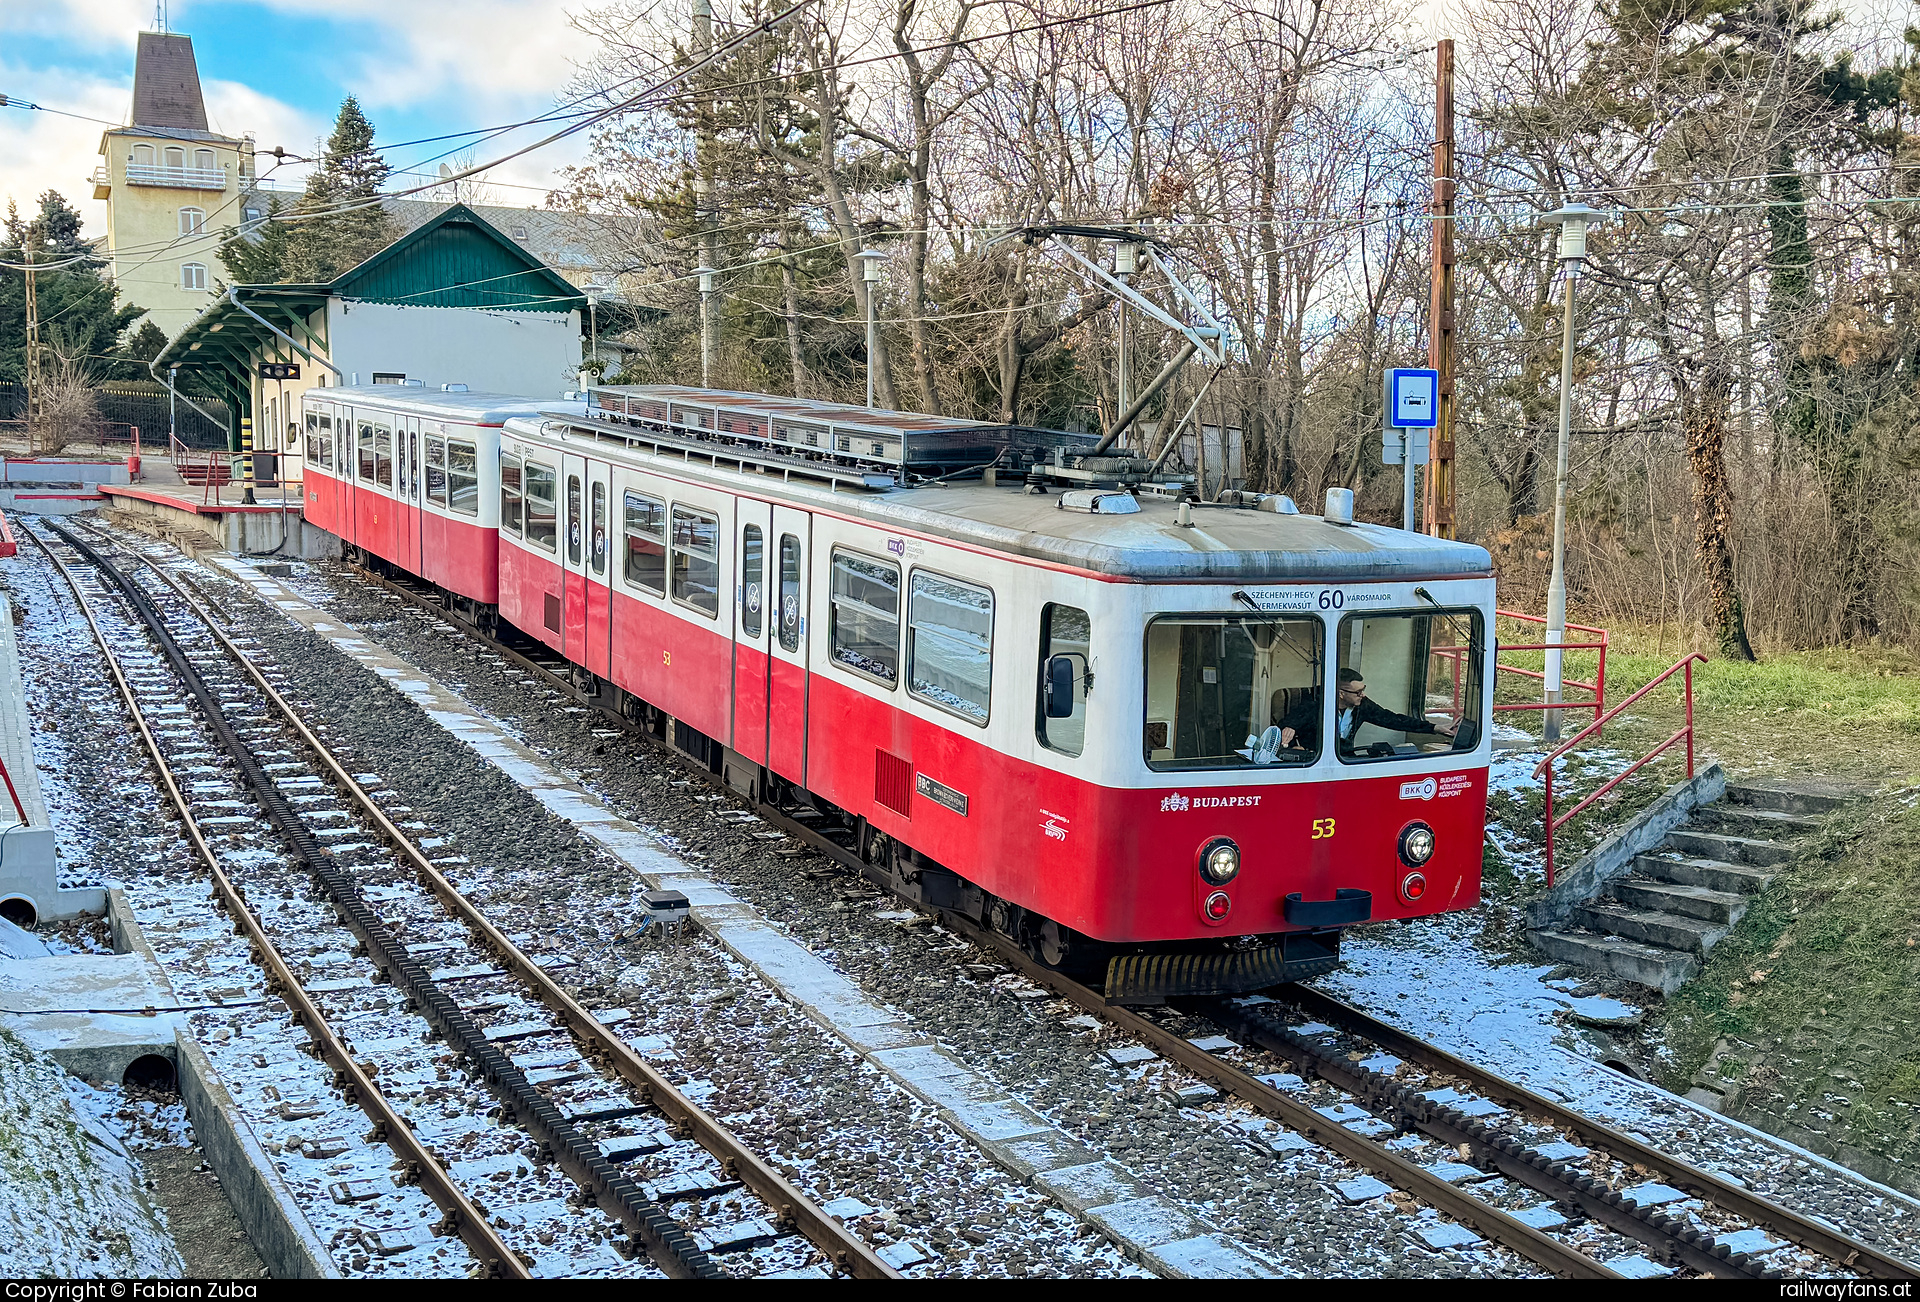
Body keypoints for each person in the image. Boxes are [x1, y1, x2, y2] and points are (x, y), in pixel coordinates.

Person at [1278, 667, 1459, 754]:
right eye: (1358, 692)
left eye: (1363, 690)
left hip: (1347, 759)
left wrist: (1434, 728)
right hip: (1316, 761)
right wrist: (1294, 742)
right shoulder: (1315, 704)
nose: (1362, 695)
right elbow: (1288, 724)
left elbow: (1391, 719)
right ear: (1340, 694)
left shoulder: (1361, 705)